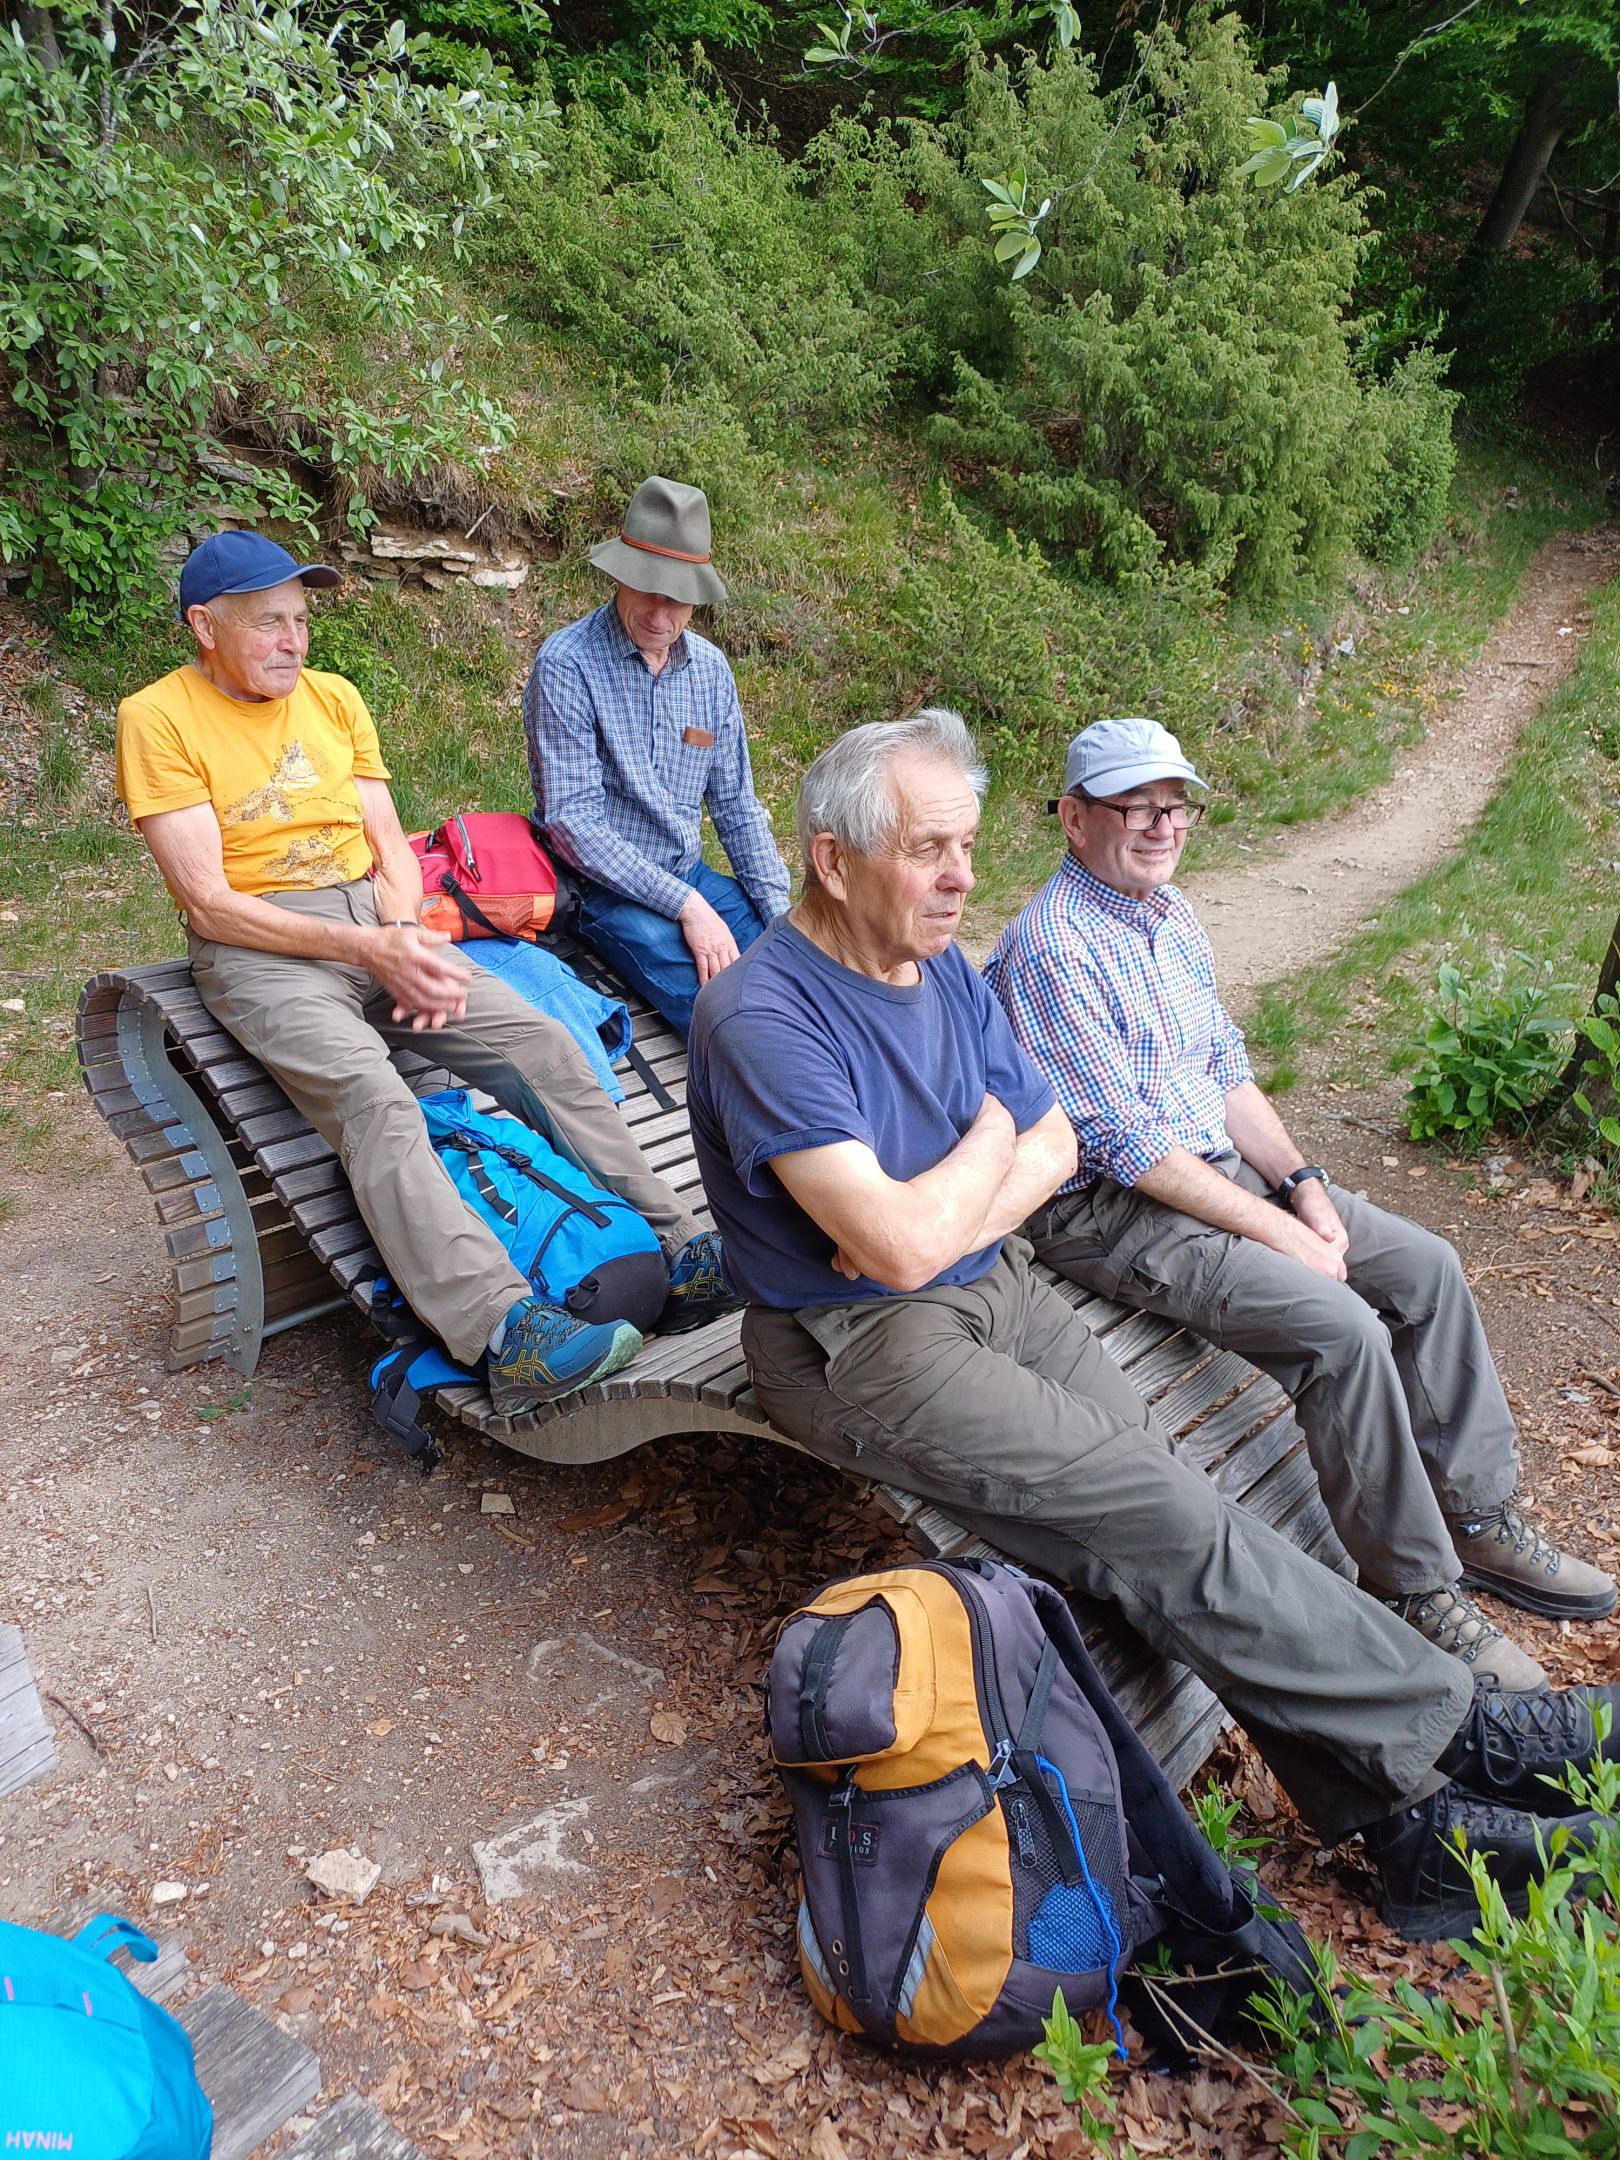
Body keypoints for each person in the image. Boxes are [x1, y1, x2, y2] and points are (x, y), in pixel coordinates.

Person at [686, 706, 1620, 1940]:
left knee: (1171, 1515)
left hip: (994, 1286)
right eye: (927, 850)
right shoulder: (764, 1016)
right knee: (1164, 1517)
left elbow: (1050, 1139)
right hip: (856, 1343)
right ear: (833, 859)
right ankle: (1471, 1733)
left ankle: (1412, 1841)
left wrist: (963, 1186)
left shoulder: (942, 965)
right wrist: (981, 1151)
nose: (962, 877)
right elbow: (901, 1246)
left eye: (966, 845)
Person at [985, 716, 1615, 1695]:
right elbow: (1125, 1146)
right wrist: (1284, 1234)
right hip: (1108, 1208)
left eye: (1175, 806)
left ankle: (1474, 1516)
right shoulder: (1051, 946)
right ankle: (1414, 1589)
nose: (1162, 826)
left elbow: (1225, 1070)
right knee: (1341, 1330)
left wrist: (1303, 1186)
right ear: (1074, 819)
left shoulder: (1166, 913)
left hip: (1207, 1170)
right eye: (1134, 808)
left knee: (1426, 1269)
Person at [115, 529, 735, 1416]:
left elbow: (389, 847)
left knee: (539, 1043)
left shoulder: (334, 698)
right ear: (205, 626)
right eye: (267, 624)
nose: (293, 641)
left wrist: (402, 932)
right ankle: (507, 1331)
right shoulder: (159, 717)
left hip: (378, 923)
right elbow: (208, 903)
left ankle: (680, 1249)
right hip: (264, 953)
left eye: (300, 620)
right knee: (377, 1100)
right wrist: (367, 950)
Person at [524, 475, 791, 1036]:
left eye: (678, 598)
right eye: (648, 588)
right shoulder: (567, 664)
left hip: (689, 874)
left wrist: (781, 915)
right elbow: (573, 825)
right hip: (604, 889)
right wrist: (688, 907)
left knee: (797, 973)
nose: (660, 615)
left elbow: (737, 806)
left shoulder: (711, 671)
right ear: (620, 575)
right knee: (724, 1013)